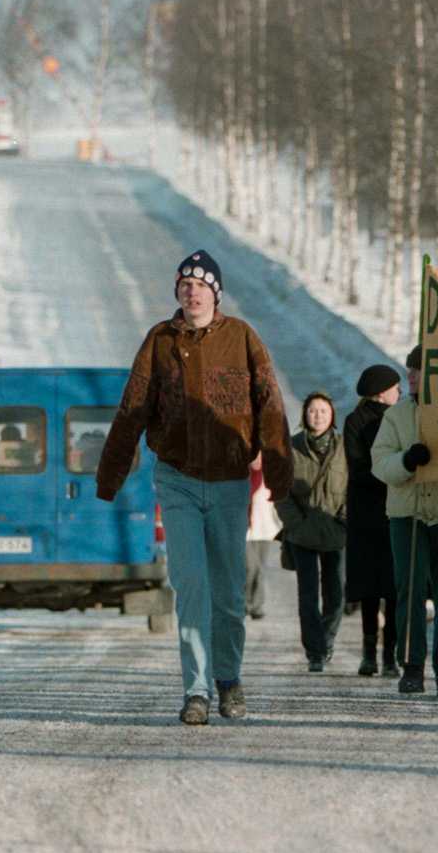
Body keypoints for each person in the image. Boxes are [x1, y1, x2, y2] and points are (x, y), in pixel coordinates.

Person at [95, 248, 292, 726]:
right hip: (178, 479)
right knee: (191, 587)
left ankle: (229, 680)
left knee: (227, 592)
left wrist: (282, 477)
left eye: (200, 284)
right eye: (184, 283)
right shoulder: (159, 340)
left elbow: (270, 404)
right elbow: (132, 409)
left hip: (228, 483)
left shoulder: (242, 338)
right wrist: (110, 475)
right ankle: (197, 690)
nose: (191, 290)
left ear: (215, 293)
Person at [372, 346, 438, 698]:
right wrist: (406, 461)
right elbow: (379, 462)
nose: (411, 376)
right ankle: (412, 666)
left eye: (419, 370)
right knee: (409, 592)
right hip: (408, 515)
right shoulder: (396, 416)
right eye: (409, 370)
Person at [276, 392, 348, 673]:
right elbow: (281, 491)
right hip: (302, 533)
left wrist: (344, 518)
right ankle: (315, 652)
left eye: (323, 411)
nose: (318, 415)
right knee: (307, 594)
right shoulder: (291, 447)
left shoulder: (344, 447)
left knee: (336, 592)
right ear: (305, 415)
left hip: (335, 529)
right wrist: (296, 524)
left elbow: (352, 486)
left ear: (332, 415)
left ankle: (327, 640)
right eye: (313, 411)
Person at [344, 364, 403, 677]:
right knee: (383, 587)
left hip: (371, 512)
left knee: (378, 587)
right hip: (378, 509)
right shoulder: (360, 421)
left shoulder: (388, 417)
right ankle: (379, 656)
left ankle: (379, 657)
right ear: (382, 391)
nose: (400, 392)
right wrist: (397, 471)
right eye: (396, 387)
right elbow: (358, 467)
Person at [244, 455, 281, 620]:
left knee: (261, 569)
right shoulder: (243, 476)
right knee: (250, 567)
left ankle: (256, 606)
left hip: (265, 530)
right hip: (245, 531)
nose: (257, 460)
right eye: (254, 457)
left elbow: (277, 504)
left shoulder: (270, 477)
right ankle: (244, 603)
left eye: (260, 457)